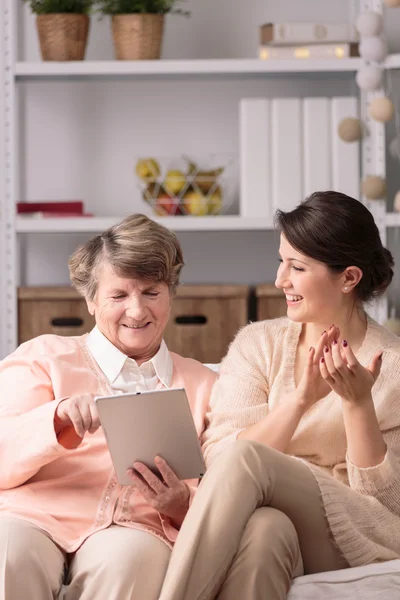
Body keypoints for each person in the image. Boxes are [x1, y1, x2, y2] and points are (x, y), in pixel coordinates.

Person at [158, 190, 400, 600]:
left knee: (250, 457)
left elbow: (387, 503)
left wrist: (358, 404)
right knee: (265, 532)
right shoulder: (258, 344)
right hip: (271, 517)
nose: (279, 280)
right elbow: (218, 460)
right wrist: (300, 400)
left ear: (349, 278)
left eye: (298, 267)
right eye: (280, 261)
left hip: (360, 529)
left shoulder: (392, 366)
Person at [0, 214, 217, 600]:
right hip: (32, 516)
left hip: (137, 530)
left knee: (134, 561)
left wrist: (183, 505)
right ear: (90, 299)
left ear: (171, 293)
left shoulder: (206, 386)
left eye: (151, 292)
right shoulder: (43, 357)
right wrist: (57, 419)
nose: (137, 312)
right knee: (7, 550)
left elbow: (227, 485)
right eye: (119, 296)